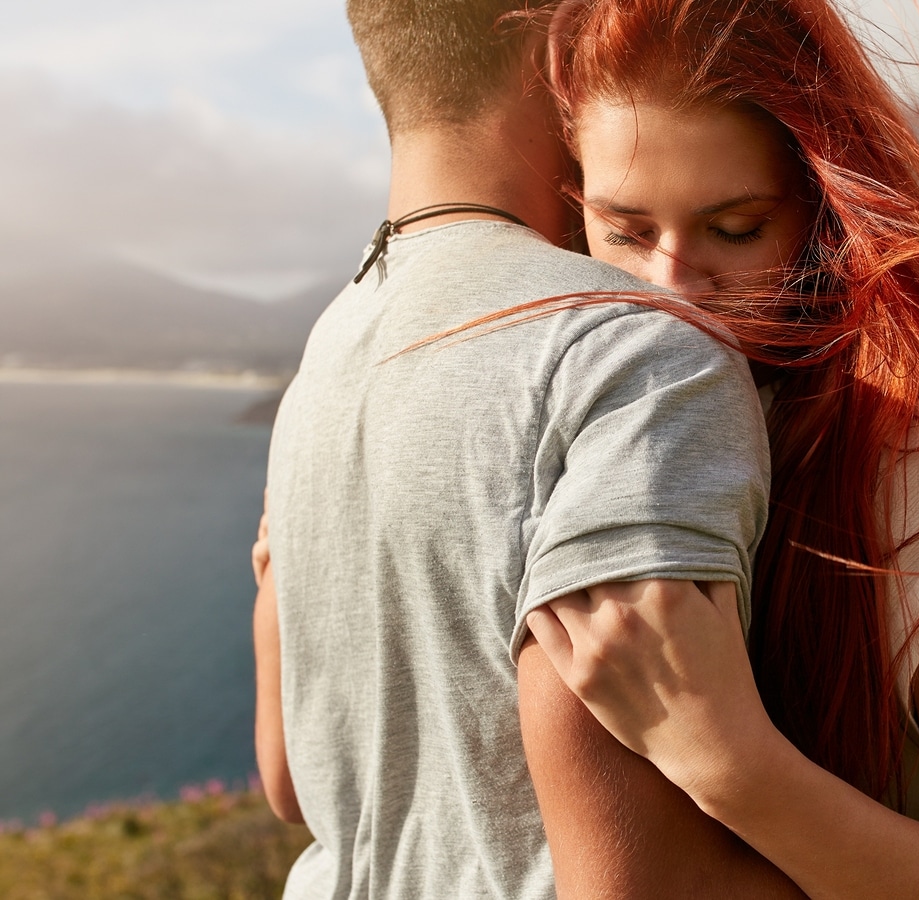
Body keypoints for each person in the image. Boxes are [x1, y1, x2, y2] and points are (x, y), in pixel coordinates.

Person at [510, 0, 919, 897]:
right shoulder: (571, 414)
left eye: (737, 229)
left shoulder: (918, 453)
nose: (673, 289)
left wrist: (726, 759)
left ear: (826, 217)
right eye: (626, 232)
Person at [254, 0, 815, 896]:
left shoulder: (326, 356)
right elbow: (635, 885)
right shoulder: (639, 352)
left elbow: (291, 786)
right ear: (565, 49)